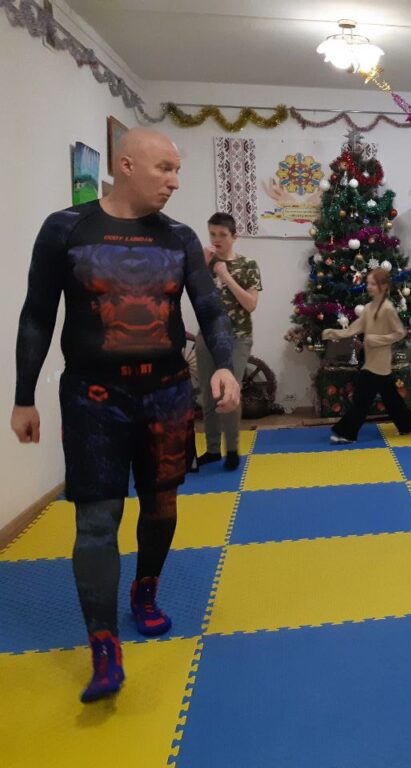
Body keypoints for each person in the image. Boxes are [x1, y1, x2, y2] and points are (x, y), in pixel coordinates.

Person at [11, 128, 240, 703]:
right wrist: (23, 396)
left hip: (167, 394)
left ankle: (146, 589)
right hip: (93, 398)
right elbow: (36, 314)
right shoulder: (65, 228)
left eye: (177, 170)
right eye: (165, 168)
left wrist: (224, 365)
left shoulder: (180, 238)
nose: (175, 181)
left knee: (162, 505)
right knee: (96, 520)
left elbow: (210, 309)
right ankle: (104, 644)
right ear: (126, 165)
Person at [194, 212, 262, 471]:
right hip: (207, 336)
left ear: (234, 237)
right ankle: (212, 449)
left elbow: (250, 304)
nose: (217, 239)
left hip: (238, 337)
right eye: (212, 234)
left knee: (230, 393)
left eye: (222, 234)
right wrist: (201, 268)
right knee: (208, 394)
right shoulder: (204, 262)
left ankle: (232, 449)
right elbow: (194, 297)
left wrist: (224, 275)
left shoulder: (248, 265)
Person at [323, 268, 411, 443]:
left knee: (362, 399)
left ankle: (347, 432)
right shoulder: (368, 308)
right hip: (372, 362)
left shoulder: (388, 309)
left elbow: (399, 333)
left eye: (373, 283)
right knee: (390, 396)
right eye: (368, 283)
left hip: (379, 364)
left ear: (383, 286)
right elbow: (354, 328)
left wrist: (377, 339)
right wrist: (333, 333)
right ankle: (407, 424)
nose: (368, 287)